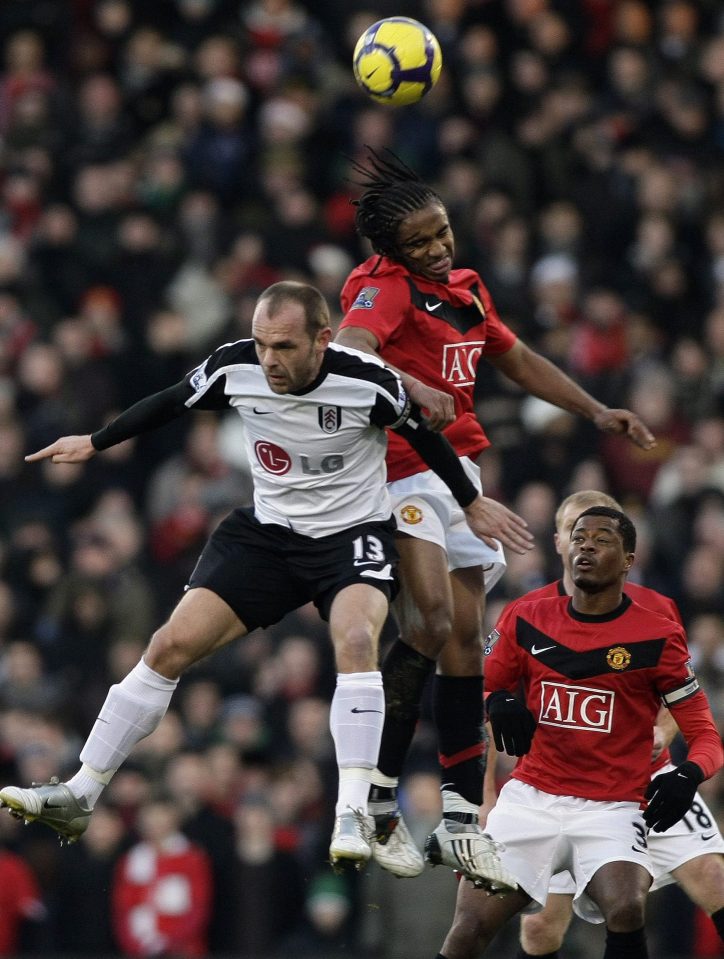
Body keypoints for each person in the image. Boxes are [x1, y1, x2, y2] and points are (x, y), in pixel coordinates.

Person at [0, 281, 529, 881]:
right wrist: (95, 442)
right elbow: (172, 401)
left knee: (356, 641)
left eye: (283, 346)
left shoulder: (366, 383)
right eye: (261, 343)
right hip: (269, 537)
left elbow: (425, 439)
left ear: (322, 341)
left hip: (349, 537)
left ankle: (352, 813)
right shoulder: (236, 367)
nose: (269, 359)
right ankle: (80, 791)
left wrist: (471, 502)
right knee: (169, 645)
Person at [334, 150, 656, 883]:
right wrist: (412, 382)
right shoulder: (378, 288)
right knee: (431, 620)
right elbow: (348, 350)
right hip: (401, 464)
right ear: (391, 250)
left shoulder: (468, 289)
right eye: (421, 242)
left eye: (442, 231)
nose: (439, 248)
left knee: (464, 644)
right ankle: (375, 800)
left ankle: (454, 815)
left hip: (463, 471)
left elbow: (516, 360)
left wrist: (596, 409)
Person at [434, 506, 724, 959]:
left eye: (602, 538)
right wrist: (496, 699)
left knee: (627, 906)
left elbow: (705, 734)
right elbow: (477, 687)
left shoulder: (659, 634)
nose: (586, 545)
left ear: (629, 559)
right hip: (530, 799)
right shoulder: (525, 615)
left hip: (613, 808)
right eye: (579, 536)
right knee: (471, 927)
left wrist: (688, 774)